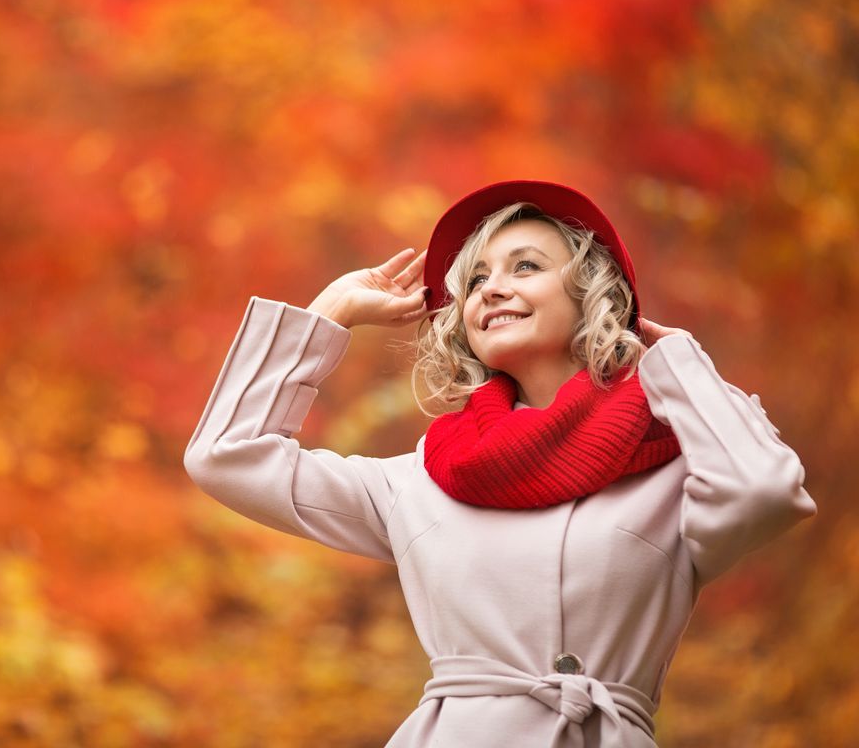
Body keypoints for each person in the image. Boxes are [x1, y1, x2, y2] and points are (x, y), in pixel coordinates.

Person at [183, 179, 816, 747]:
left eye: (526, 265)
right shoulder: (418, 482)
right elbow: (226, 456)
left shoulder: (677, 473)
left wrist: (680, 366)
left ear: (595, 295)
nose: (493, 289)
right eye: (477, 278)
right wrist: (329, 314)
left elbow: (764, 492)